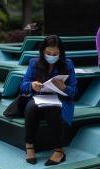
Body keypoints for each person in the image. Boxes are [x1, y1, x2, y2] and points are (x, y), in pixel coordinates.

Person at [20, 35, 77, 166]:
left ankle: (59, 150)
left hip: (60, 99)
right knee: (31, 108)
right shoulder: (34, 62)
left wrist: (64, 87)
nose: (52, 55)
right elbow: (23, 85)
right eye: (48, 53)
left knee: (54, 109)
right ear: (43, 51)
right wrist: (31, 85)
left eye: (55, 53)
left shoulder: (67, 64)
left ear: (60, 53)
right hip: (38, 97)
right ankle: (29, 145)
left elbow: (74, 91)